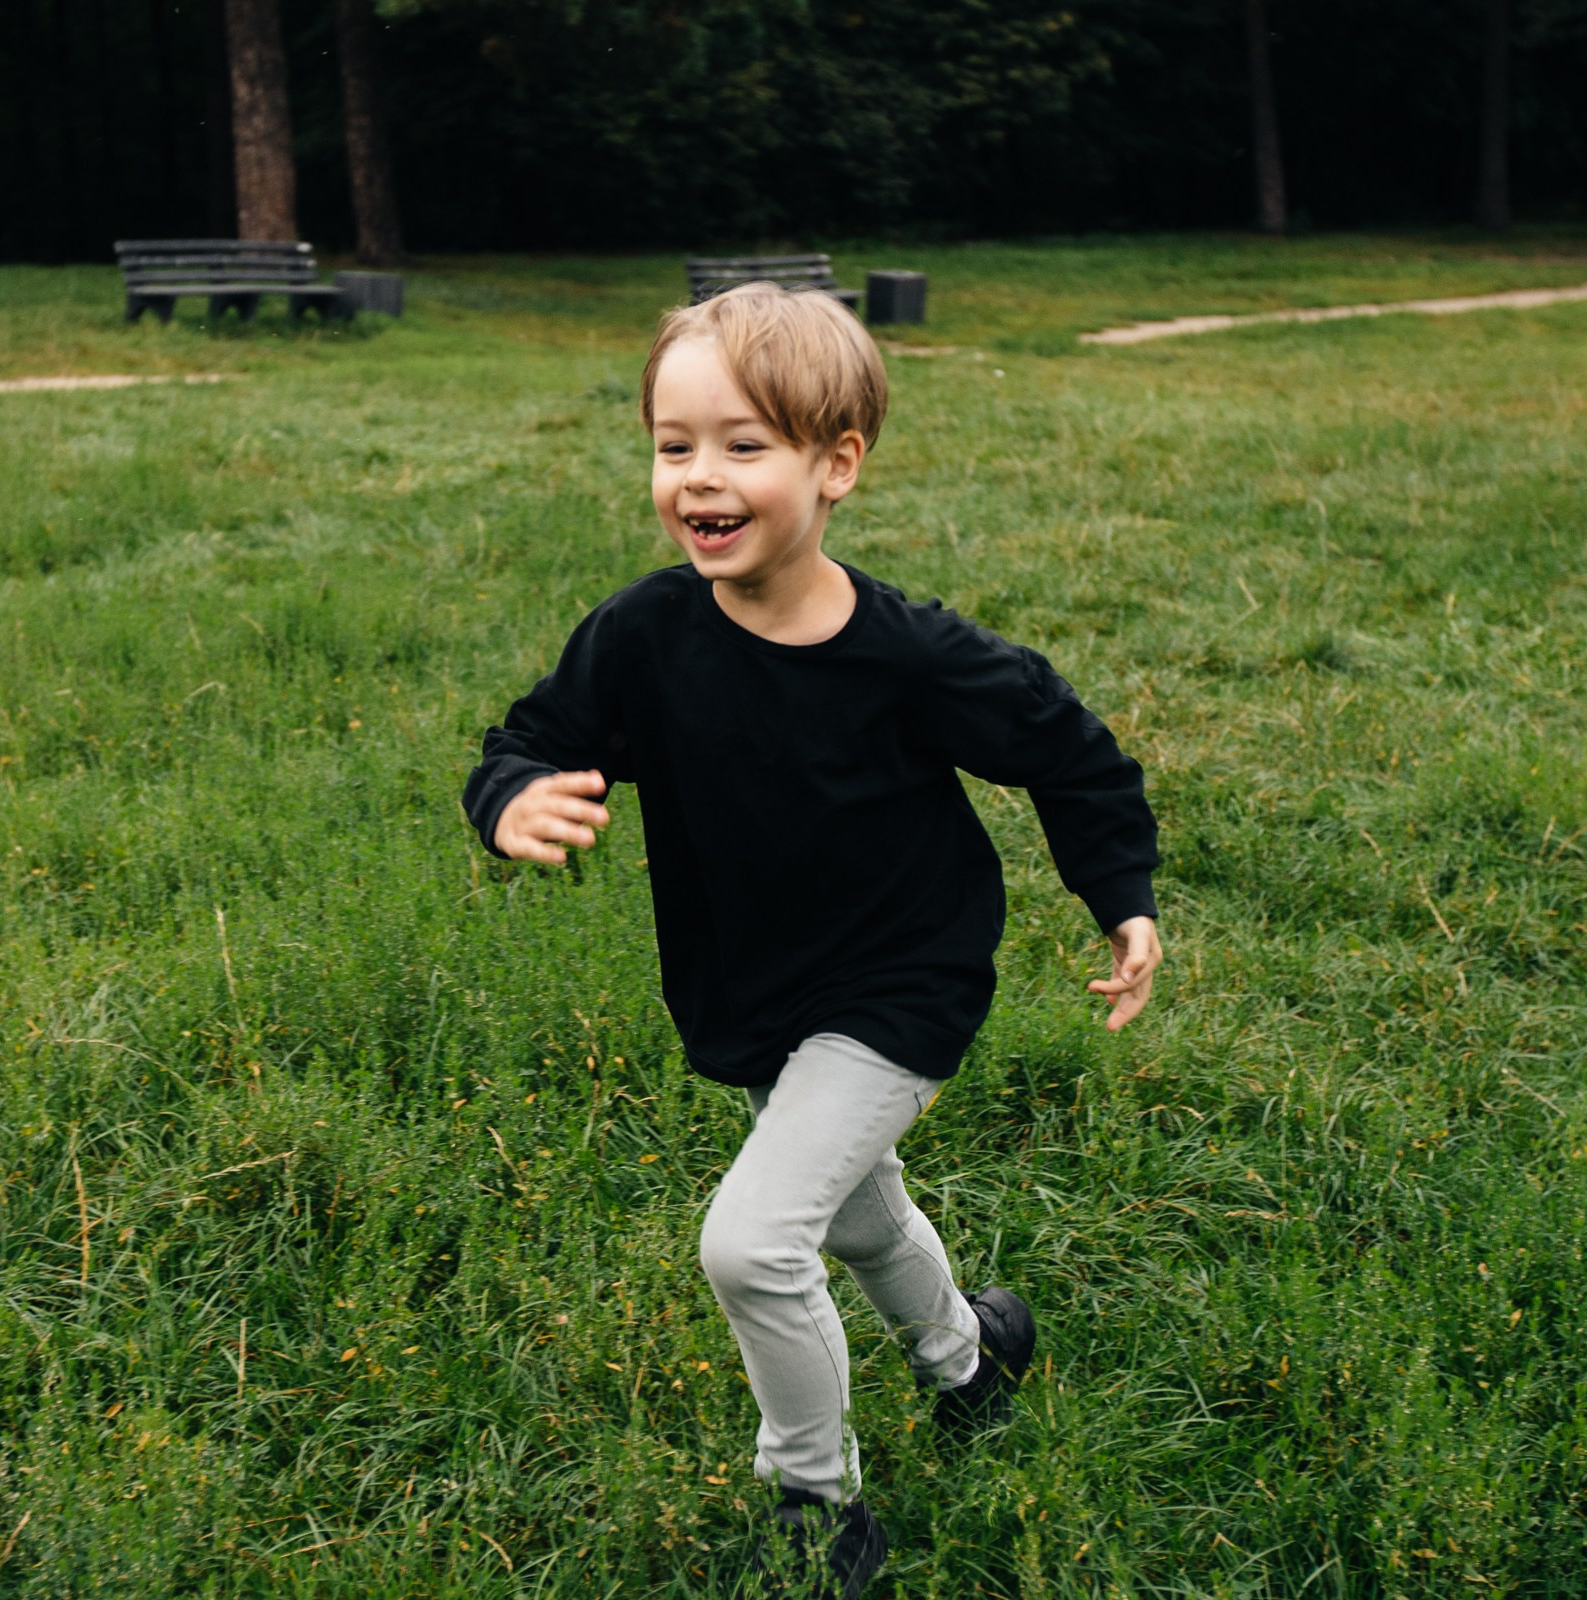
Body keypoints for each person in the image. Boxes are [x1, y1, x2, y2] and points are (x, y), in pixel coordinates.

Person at [461, 282, 1161, 1597]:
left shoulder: (910, 657)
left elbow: (1068, 753)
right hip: (757, 989)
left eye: (744, 445)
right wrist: (511, 800)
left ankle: (817, 1504)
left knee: (753, 1239)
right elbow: (533, 737)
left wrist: (1120, 892)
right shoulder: (642, 637)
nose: (700, 479)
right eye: (675, 446)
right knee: (852, 1213)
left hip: (904, 978)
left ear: (836, 464)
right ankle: (970, 1359)